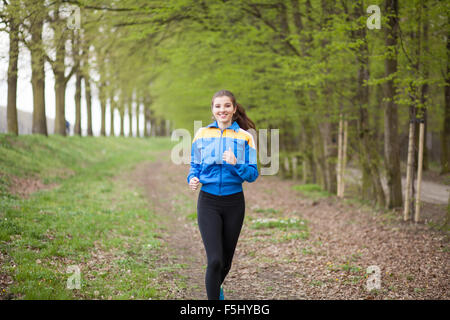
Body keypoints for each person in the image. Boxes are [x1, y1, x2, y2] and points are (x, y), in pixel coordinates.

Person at [187, 89, 259, 300]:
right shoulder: (201, 134)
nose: (222, 110)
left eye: (227, 106)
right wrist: (192, 178)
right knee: (215, 260)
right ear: (212, 110)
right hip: (208, 201)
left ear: (234, 109)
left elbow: (253, 174)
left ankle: (215, 287)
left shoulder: (245, 137)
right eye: (218, 106)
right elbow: (195, 166)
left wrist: (236, 164)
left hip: (234, 203)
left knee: (226, 261)